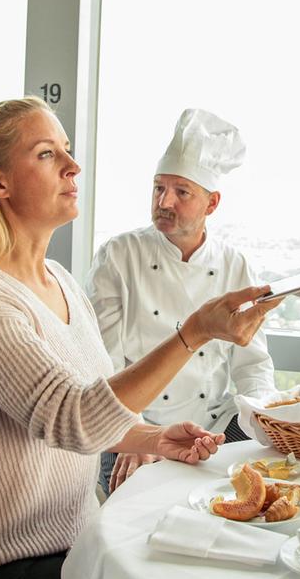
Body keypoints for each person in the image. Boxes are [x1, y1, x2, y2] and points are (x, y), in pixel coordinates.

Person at [0, 96, 278, 579]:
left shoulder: (59, 281)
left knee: (222, 573)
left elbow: (91, 398)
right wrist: (195, 331)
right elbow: (74, 420)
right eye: (46, 154)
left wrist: (149, 438)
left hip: (77, 539)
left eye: (66, 149)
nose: (73, 165)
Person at [86, 108, 276, 493]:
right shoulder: (118, 255)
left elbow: (253, 366)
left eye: (181, 192)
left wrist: (261, 423)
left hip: (213, 428)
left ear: (212, 203)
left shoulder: (234, 265)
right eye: (159, 188)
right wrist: (139, 436)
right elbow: (102, 362)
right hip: (134, 425)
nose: (164, 201)